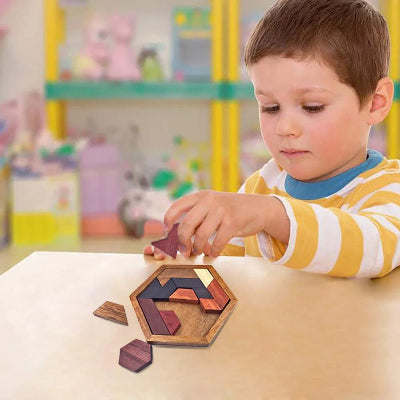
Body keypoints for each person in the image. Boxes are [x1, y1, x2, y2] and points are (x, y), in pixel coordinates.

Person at [145, 0, 400, 278]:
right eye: (270, 107)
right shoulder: (260, 187)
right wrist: (188, 256)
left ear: (375, 103)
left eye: (312, 107)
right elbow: (226, 276)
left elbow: (374, 249)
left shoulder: (388, 188)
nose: (285, 128)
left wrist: (273, 215)